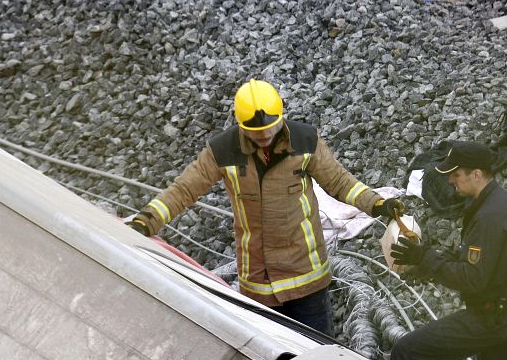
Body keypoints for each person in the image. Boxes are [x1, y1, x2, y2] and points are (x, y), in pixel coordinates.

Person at [127, 79, 403, 335]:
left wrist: (377, 204)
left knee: (319, 357)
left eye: (269, 129)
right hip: (259, 283)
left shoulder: (305, 142)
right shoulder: (223, 151)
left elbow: (341, 183)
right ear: (240, 125)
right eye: (255, 133)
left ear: (281, 116)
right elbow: (184, 189)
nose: (264, 136)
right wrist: (146, 221)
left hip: (308, 277)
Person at [389, 140, 507, 360]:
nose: (450, 180)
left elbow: (473, 278)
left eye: (456, 175)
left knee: (408, 353)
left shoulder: (489, 218)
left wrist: (427, 258)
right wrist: (428, 259)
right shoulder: (504, 202)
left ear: (477, 174)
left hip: (490, 316)